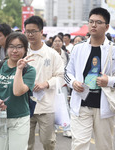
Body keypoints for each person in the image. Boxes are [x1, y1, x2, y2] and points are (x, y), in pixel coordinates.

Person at [65, 7, 115, 150]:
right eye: (91, 21)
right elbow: (67, 72)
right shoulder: (78, 48)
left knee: (104, 146)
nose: (93, 25)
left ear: (106, 27)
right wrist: (73, 82)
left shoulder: (112, 49)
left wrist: (109, 81)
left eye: (98, 22)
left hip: (105, 106)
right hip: (81, 104)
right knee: (79, 145)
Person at [0, 32, 36, 150]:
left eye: (19, 47)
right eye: (11, 46)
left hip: (19, 119)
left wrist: (19, 69)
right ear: (6, 48)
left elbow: (18, 91)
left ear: (25, 49)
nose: (15, 50)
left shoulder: (29, 70)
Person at [24, 16, 64, 150]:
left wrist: (46, 84)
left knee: (48, 141)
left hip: (46, 105)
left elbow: (61, 77)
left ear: (41, 32)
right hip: (25, 104)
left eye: (33, 31)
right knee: (26, 143)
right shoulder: (23, 52)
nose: (30, 34)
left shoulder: (52, 54)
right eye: (27, 31)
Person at [51, 35, 71, 137]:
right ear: (52, 43)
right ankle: (53, 128)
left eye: (59, 41)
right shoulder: (49, 53)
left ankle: (67, 128)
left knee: (65, 106)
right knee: (52, 106)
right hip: (51, 84)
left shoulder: (66, 55)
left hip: (62, 84)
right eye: (56, 41)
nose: (57, 43)